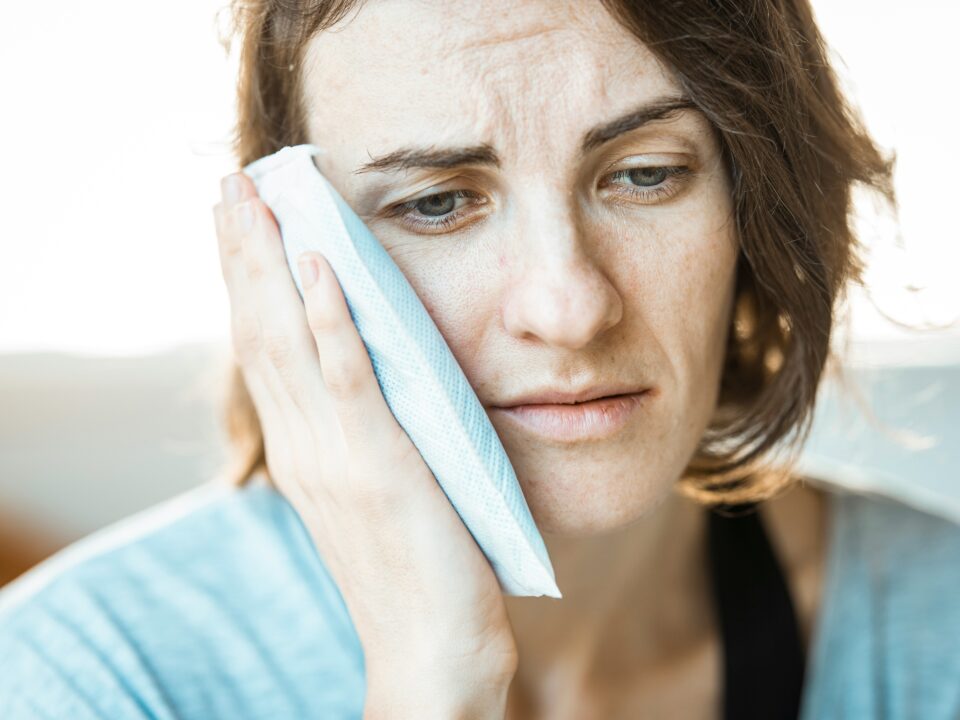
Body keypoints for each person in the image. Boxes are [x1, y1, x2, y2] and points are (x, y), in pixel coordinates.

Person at [1, 1, 959, 718]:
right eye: (437, 202)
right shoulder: (82, 678)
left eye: (644, 174)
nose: (570, 306)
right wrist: (432, 682)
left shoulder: (935, 624)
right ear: (289, 251)